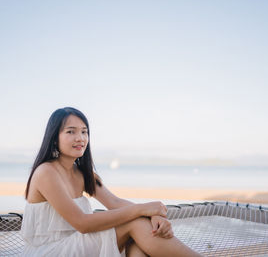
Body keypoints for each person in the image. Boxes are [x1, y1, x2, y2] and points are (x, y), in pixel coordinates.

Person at [20, 107, 201, 257]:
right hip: (52, 251)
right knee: (135, 224)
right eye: (70, 132)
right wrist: (142, 209)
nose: (80, 138)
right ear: (54, 137)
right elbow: (82, 223)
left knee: (137, 241)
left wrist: (153, 215)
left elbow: (114, 203)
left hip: (77, 244)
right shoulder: (46, 172)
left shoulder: (84, 174)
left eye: (84, 132)